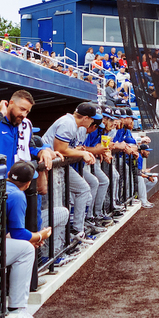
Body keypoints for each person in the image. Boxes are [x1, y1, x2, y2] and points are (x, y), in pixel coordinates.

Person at [4, 161, 55, 318]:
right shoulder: (18, 195)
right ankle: (18, 310)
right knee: (26, 250)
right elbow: (19, 233)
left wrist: (30, 238)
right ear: (27, 184)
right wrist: (40, 235)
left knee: (23, 245)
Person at [47, 102, 103, 244]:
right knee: (54, 208)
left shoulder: (74, 125)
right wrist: (82, 153)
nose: (92, 121)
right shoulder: (68, 123)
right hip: (48, 168)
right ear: (85, 118)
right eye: (91, 118)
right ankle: (53, 250)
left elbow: (69, 149)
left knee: (82, 190)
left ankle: (75, 231)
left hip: (59, 166)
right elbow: (60, 149)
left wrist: (81, 151)